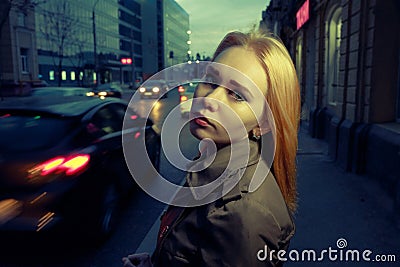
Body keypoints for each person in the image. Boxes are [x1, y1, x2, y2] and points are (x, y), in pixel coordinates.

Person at [122, 28, 300, 267]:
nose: (210, 99)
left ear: (263, 123)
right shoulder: (209, 166)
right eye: (210, 81)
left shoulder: (241, 214)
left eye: (237, 94)